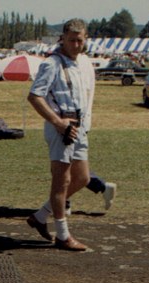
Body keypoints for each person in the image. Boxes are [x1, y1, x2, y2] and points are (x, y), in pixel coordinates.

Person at [25, 18, 96, 251]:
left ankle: (40, 216)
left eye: (80, 40)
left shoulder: (85, 62)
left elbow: (87, 95)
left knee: (83, 179)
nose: (76, 45)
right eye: (72, 40)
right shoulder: (52, 64)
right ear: (62, 39)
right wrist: (57, 122)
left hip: (79, 127)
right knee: (61, 181)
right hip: (60, 127)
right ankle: (63, 235)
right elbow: (35, 96)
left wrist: (85, 125)